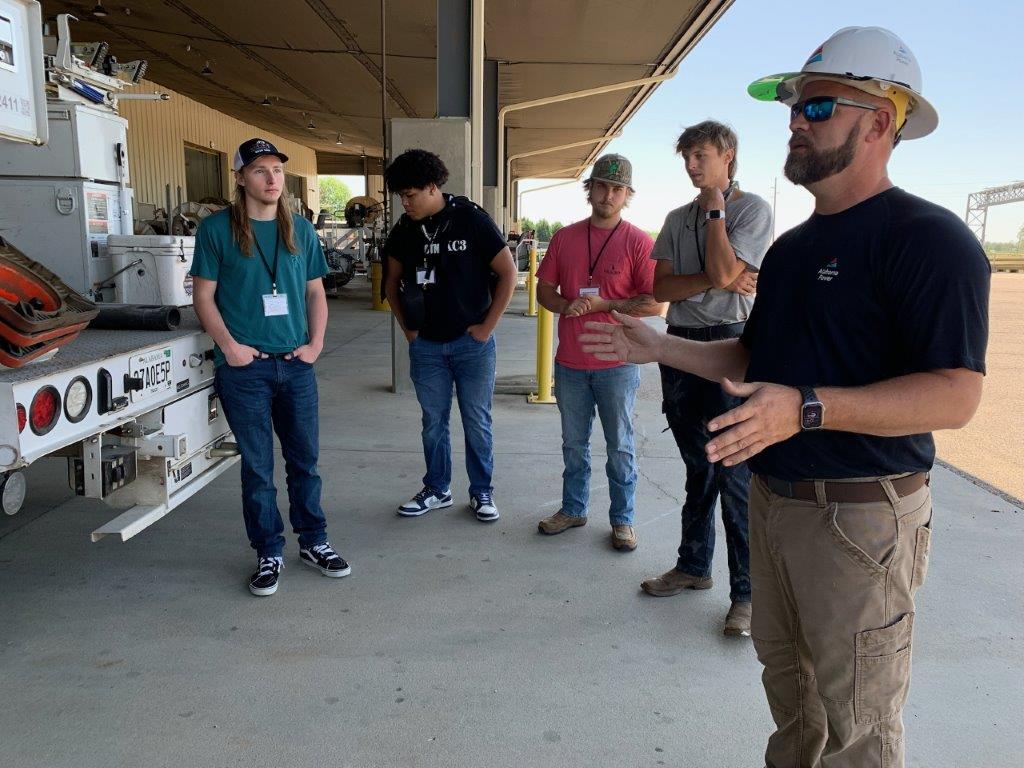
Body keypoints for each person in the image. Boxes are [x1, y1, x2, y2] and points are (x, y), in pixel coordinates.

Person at [580, 27, 989, 768]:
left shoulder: (930, 240)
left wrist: (805, 407)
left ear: (879, 123)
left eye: (819, 105)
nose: (797, 120)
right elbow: (749, 356)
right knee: (791, 696)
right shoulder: (796, 249)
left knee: (857, 722)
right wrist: (660, 345)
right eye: (795, 106)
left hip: (860, 517)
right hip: (775, 501)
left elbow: (956, 395)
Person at [191, 138, 350, 597]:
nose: (272, 178)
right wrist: (230, 348)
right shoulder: (217, 230)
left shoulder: (299, 228)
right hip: (245, 370)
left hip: (296, 366)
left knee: (305, 461)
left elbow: (315, 291)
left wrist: (316, 343)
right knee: (258, 467)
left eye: (277, 170)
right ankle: (269, 551)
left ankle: (314, 541)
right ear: (240, 178)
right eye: (260, 170)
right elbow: (203, 296)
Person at [641, 121, 772, 638]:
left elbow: (723, 271)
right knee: (698, 466)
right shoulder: (675, 218)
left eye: (701, 155)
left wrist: (717, 210)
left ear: (728, 155)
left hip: (732, 344)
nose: (692, 165)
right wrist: (716, 279)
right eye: (687, 157)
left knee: (733, 471)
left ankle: (746, 594)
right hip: (680, 345)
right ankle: (694, 567)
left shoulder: (752, 210)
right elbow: (662, 286)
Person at [534, 154, 661, 551]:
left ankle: (622, 520)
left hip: (617, 363)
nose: (609, 195)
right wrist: (563, 305)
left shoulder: (639, 241)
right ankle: (573, 509)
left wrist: (604, 305)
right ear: (589, 189)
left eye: (618, 189)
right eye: (602, 186)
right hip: (571, 363)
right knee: (574, 444)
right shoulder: (565, 238)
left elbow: (655, 304)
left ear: (627, 195)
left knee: (620, 445)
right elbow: (544, 290)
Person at [383, 149, 517, 522]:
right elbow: (391, 283)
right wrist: (409, 331)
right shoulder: (405, 230)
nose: (405, 203)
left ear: (431, 187)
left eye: (410, 195)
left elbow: (508, 274)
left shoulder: (470, 219)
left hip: (472, 344)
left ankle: (482, 492)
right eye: (400, 196)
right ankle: (437, 489)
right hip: (426, 345)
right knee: (433, 421)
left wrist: (487, 327)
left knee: (476, 420)